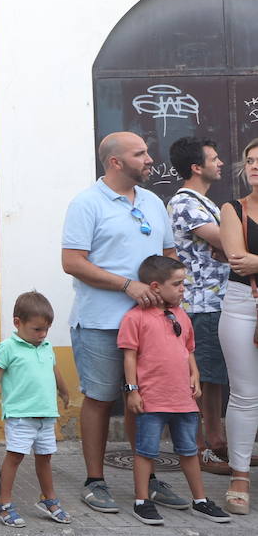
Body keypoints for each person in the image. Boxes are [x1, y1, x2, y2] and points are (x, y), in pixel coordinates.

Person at [61, 131, 181, 515]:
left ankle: (146, 481)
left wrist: (170, 297)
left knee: (142, 403)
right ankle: (95, 482)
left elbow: (168, 253)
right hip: (100, 321)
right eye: (140, 153)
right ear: (115, 162)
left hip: (150, 323)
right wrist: (127, 285)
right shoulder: (86, 203)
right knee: (99, 399)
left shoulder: (152, 201)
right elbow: (73, 262)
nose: (149, 158)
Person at [118, 255, 231, 525]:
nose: (183, 288)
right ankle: (142, 501)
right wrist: (132, 390)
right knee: (146, 451)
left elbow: (188, 349)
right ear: (155, 287)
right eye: (178, 283)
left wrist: (195, 373)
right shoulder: (135, 318)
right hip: (152, 400)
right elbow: (129, 356)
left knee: (189, 450)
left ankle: (201, 500)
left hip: (183, 400)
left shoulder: (181, 315)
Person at [0, 292, 71, 527]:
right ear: (18, 323)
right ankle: (4, 502)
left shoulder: (46, 346)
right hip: (20, 415)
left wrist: (64, 390)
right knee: (15, 457)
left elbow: (53, 369)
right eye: (37, 329)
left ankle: (48, 499)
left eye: (46, 329)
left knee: (45, 458)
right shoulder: (8, 347)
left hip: (46, 415)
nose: (43, 334)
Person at [166, 136, 230, 474]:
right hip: (200, 304)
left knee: (214, 376)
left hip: (214, 300)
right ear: (196, 167)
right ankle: (201, 449)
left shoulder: (204, 203)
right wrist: (230, 245)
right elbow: (228, 241)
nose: (220, 163)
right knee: (201, 377)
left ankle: (217, 443)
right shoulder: (186, 203)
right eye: (214, 158)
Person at [218, 138, 258, 514]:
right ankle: (240, 476)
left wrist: (255, 260)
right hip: (243, 305)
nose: (254, 166)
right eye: (250, 160)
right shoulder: (232, 208)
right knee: (244, 394)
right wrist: (249, 261)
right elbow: (236, 260)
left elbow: (250, 260)